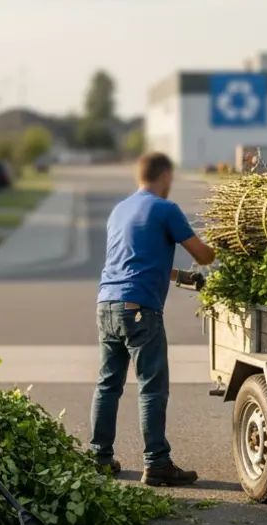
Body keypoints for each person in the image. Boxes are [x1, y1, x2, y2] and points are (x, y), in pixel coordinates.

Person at [91, 151, 215, 486]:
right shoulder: (165, 209)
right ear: (165, 176)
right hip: (140, 309)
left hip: (107, 304)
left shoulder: (120, 210)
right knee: (152, 387)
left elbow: (134, 260)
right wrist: (217, 247)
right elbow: (203, 255)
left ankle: (100, 457)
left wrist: (179, 277)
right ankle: (157, 463)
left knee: (108, 384)